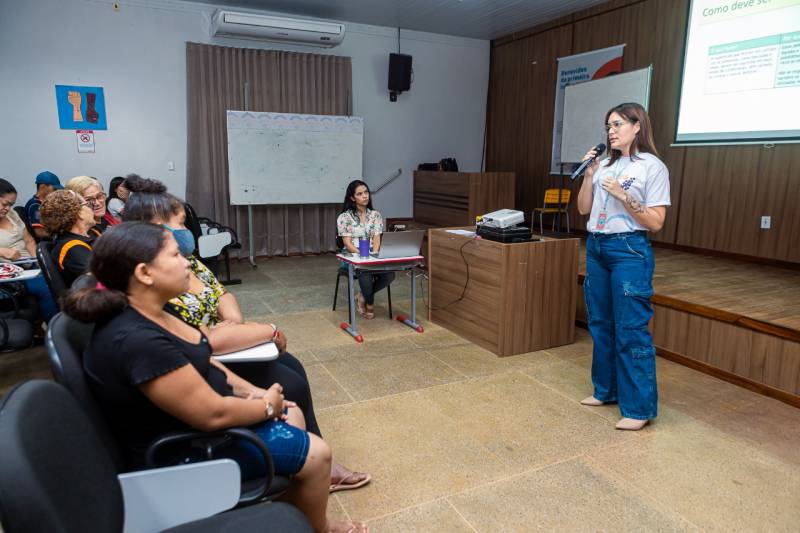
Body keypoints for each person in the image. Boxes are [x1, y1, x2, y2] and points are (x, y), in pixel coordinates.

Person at [64, 222, 367, 533]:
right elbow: (212, 414)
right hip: (183, 454)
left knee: (294, 412)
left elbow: (205, 359)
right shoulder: (136, 340)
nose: (187, 262)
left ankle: (291, 509)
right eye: (175, 256)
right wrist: (266, 407)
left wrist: (254, 393)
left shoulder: (155, 309)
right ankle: (322, 527)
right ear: (144, 273)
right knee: (318, 454)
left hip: (197, 429)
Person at [122, 176, 370, 493]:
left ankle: (313, 461)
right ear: (151, 229)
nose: (187, 232)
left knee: (292, 367)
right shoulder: (155, 284)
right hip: (210, 364)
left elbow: (223, 294)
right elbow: (203, 342)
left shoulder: (188, 264)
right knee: (289, 382)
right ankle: (310, 462)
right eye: (179, 224)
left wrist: (235, 322)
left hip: (224, 346)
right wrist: (267, 333)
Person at [576, 102, 670, 431]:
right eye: (608, 127)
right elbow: (583, 208)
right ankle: (606, 391)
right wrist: (589, 176)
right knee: (601, 324)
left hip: (629, 249)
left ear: (636, 126)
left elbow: (656, 221)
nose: (611, 131)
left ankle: (639, 408)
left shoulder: (651, 167)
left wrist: (622, 196)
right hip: (597, 247)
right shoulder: (602, 165)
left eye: (617, 125)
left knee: (630, 330)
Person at [0, 178, 58, 321]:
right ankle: (54, 327)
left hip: (27, 265)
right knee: (46, 287)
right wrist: (2, 251)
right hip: (9, 274)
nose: (7, 209)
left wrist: (37, 260)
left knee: (56, 275)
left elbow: (29, 240)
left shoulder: (12, 214)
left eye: (11, 205)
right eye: (4, 204)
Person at [336, 180, 394, 319]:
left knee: (389, 274)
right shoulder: (344, 217)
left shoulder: (375, 215)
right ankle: (370, 304)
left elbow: (377, 239)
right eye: (360, 194)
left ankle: (362, 296)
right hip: (350, 255)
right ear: (352, 198)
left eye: (366, 192)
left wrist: (373, 255)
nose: (365, 196)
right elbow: (347, 244)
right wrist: (363, 256)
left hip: (371, 254)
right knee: (365, 272)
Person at [40, 190, 99, 287]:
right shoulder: (72, 249)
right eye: (87, 205)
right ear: (78, 213)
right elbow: (102, 281)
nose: (91, 209)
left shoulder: (91, 234)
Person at [24, 171, 63, 239]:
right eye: (54, 188)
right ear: (43, 187)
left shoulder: (44, 204)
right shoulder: (35, 205)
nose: (56, 191)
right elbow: (39, 233)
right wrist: (60, 235)